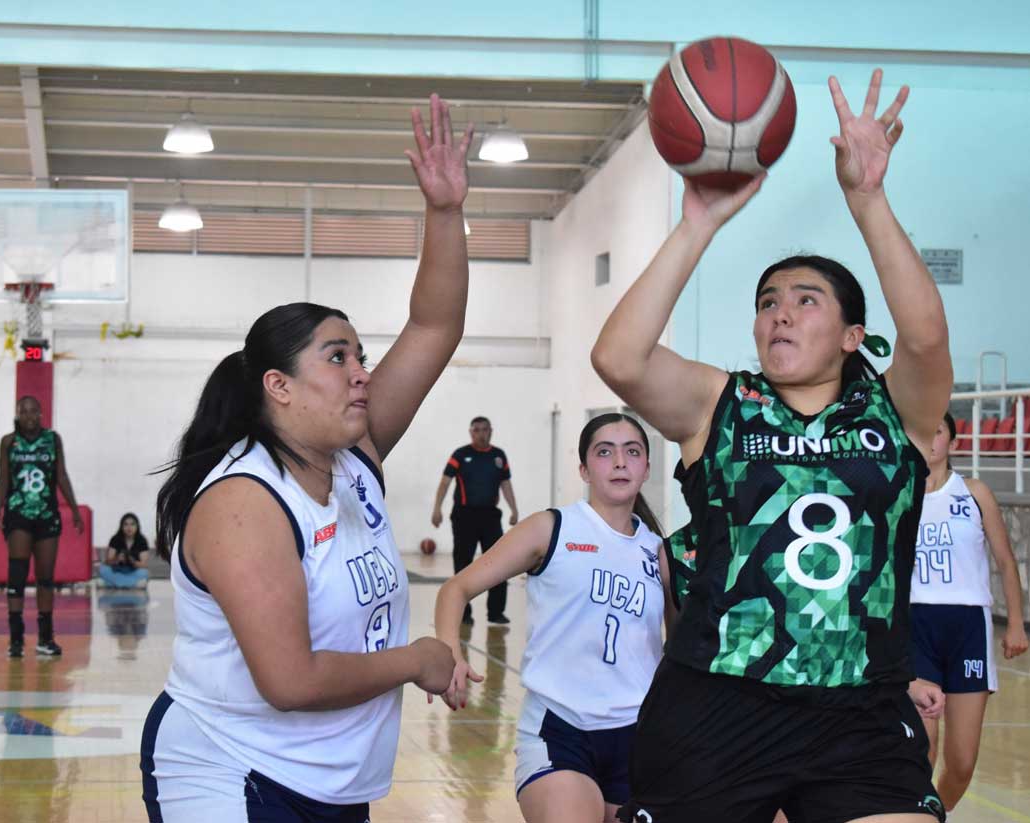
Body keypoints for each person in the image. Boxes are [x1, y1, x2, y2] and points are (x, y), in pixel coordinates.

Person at [592, 69, 952, 822]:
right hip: (718, 702)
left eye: (805, 300)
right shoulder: (721, 403)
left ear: (854, 335)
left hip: (862, 711)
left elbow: (923, 334)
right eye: (767, 303)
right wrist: (698, 223)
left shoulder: (898, 411)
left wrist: (867, 199)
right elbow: (620, 359)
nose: (779, 315)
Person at [140, 94, 472, 823]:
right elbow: (288, 678)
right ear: (279, 387)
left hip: (332, 782)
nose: (361, 371)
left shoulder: (356, 457)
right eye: (337, 356)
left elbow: (436, 323)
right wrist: (419, 659)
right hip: (231, 769)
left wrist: (445, 212)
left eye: (361, 354)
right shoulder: (243, 502)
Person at [435, 413, 674, 823]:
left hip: (637, 736)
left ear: (646, 468)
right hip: (560, 731)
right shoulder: (552, 529)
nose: (620, 462)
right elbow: (455, 589)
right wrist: (450, 651)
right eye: (605, 452)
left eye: (632, 452)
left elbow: (680, 645)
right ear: (583, 468)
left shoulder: (660, 553)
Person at [911, 412, 1028, 810]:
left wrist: (1015, 624)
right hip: (915, 625)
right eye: (923, 430)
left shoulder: (974, 493)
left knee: (961, 762)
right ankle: (912, 817)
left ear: (954, 444)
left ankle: (934, 814)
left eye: (938, 431)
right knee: (921, 751)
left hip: (968, 628)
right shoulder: (898, 496)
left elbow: (1006, 562)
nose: (929, 437)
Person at [0, 395, 83, 658]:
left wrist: (75, 509)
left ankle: (45, 638)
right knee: (17, 575)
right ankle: (16, 639)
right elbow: (3, 477)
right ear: (17, 413)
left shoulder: (52, 440)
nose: (29, 415)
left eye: (34, 411)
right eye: (24, 411)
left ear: (41, 414)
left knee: (45, 579)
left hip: (46, 513)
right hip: (19, 512)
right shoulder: (8, 442)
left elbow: (61, 475)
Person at [431, 415, 519, 624]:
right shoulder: (461, 455)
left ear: (491, 431)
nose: (481, 433)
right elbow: (445, 483)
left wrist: (514, 509)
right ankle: (464, 613)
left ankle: (496, 612)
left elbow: (506, 484)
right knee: (463, 564)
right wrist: (437, 509)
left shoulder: (499, 456)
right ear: (471, 432)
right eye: (477, 430)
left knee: (499, 563)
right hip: (464, 516)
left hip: (490, 516)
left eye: (485, 429)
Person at [100, 512, 150, 588]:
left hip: (133, 571)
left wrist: (133, 561)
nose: (129, 528)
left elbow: (144, 565)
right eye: (126, 524)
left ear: (137, 526)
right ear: (121, 527)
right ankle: (132, 584)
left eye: (132, 524)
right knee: (103, 569)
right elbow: (108, 561)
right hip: (117, 570)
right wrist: (116, 559)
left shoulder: (142, 541)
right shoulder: (115, 539)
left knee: (144, 572)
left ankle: (111, 584)